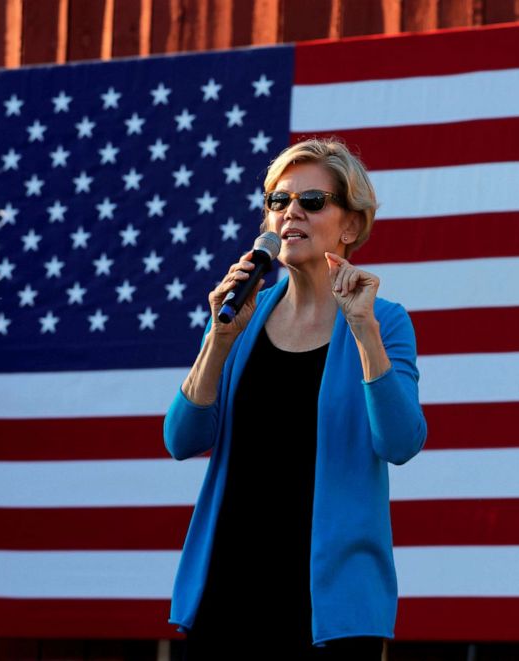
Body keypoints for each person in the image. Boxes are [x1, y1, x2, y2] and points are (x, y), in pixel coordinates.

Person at [162, 137, 428, 659]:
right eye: (278, 201)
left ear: (350, 226)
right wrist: (219, 340)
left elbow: (400, 441)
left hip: (327, 611)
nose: (290, 214)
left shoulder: (384, 321)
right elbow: (180, 438)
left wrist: (365, 333)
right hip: (228, 592)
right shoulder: (240, 315)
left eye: (311, 202)